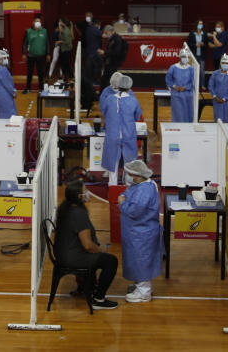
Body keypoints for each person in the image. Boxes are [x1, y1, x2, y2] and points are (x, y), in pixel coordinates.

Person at [53, 179, 118, 309]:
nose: (88, 193)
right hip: (72, 257)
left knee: (98, 255)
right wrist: (101, 250)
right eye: (85, 191)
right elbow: (88, 245)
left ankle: (84, 288)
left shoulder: (66, 208)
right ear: (79, 196)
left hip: (63, 254)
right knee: (111, 261)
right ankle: (98, 299)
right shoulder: (79, 214)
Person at [118, 160, 164, 303]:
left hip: (142, 234)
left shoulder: (145, 190)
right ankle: (140, 285)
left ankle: (144, 293)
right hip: (135, 233)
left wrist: (122, 203)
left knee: (142, 261)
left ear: (140, 174)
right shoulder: (141, 185)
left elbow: (135, 211)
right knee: (137, 261)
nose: (131, 178)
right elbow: (127, 192)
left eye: (133, 175)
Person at [101, 75, 142, 185]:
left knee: (112, 163)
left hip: (113, 135)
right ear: (129, 87)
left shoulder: (109, 99)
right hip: (128, 135)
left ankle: (112, 187)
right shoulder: (133, 101)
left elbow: (104, 112)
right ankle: (128, 186)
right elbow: (137, 116)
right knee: (129, 163)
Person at [165, 48, 196, 122]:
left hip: (188, 95)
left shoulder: (191, 69)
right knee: (178, 114)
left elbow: (193, 82)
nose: (185, 58)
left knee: (188, 113)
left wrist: (185, 87)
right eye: (183, 57)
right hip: (176, 95)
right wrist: (174, 86)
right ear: (180, 57)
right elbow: (168, 79)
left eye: (187, 57)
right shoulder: (173, 67)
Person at [22, 15, 50, 93]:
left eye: (39, 21)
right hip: (31, 55)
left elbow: (47, 43)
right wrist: (24, 53)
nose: (38, 23)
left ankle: (41, 89)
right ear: (33, 22)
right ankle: (28, 88)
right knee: (29, 72)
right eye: (36, 21)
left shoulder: (44, 31)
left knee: (41, 73)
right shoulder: (28, 31)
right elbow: (24, 43)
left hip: (41, 56)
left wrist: (48, 53)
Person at [209, 53, 228, 123]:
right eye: (223, 62)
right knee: (218, 119)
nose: (224, 64)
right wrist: (214, 96)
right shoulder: (215, 73)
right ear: (220, 63)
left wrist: (224, 98)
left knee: (227, 119)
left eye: (226, 63)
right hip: (217, 101)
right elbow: (211, 85)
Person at [0, 49, 17, 119]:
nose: (6, 60)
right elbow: (6, 83)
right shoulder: (0, 69)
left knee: (0, 114)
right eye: (4, 58)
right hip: (4, 97)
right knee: (7, 116)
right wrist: (13, 92)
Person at [98, 24, 127, 91]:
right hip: (109, 63)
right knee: (104, 80)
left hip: (113, 63)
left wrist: (104, 52)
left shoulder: (117, 39)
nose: (105, 35)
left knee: (109, 80)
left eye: (106, 33)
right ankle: (102, 94)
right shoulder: (112, 39)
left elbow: (116, 52)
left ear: (110, 31)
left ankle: (107, 94)